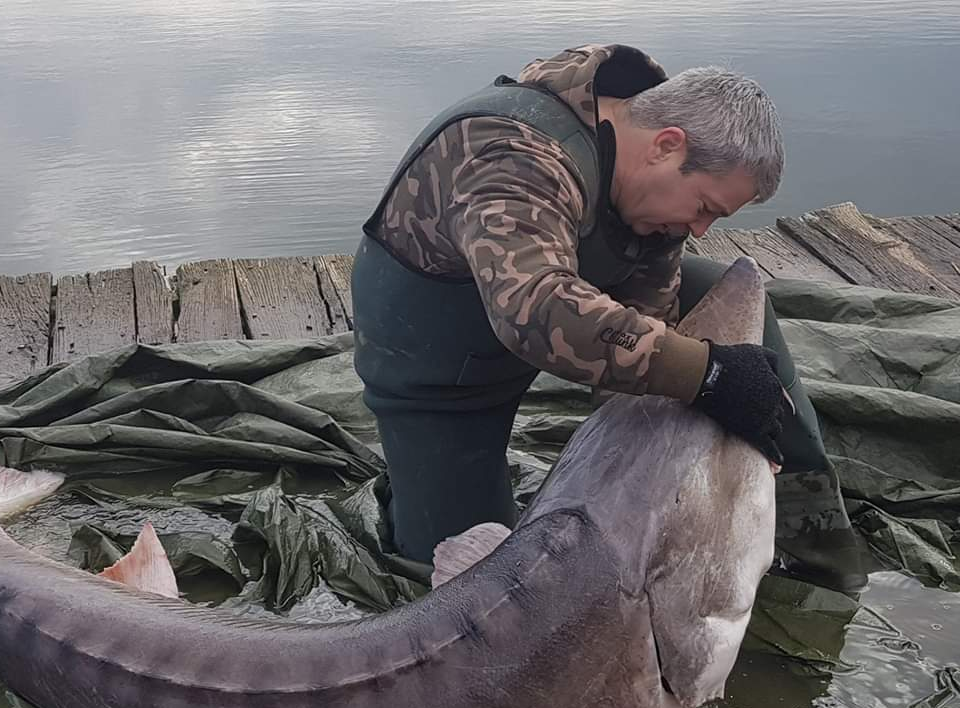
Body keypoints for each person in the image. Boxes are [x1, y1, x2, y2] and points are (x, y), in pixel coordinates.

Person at [351, 43, 867, 595]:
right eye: (705, 208)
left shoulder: (643, 168)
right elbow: (535, 307)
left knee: (717, 290)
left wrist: (700, 431)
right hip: (439, 368)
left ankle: (812, 542)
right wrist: (710, 374)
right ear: (667, 147)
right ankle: (420, 495)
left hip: (561, 319)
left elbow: (654, 312)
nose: (700, 229)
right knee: (474, 580)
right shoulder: (511, 152)